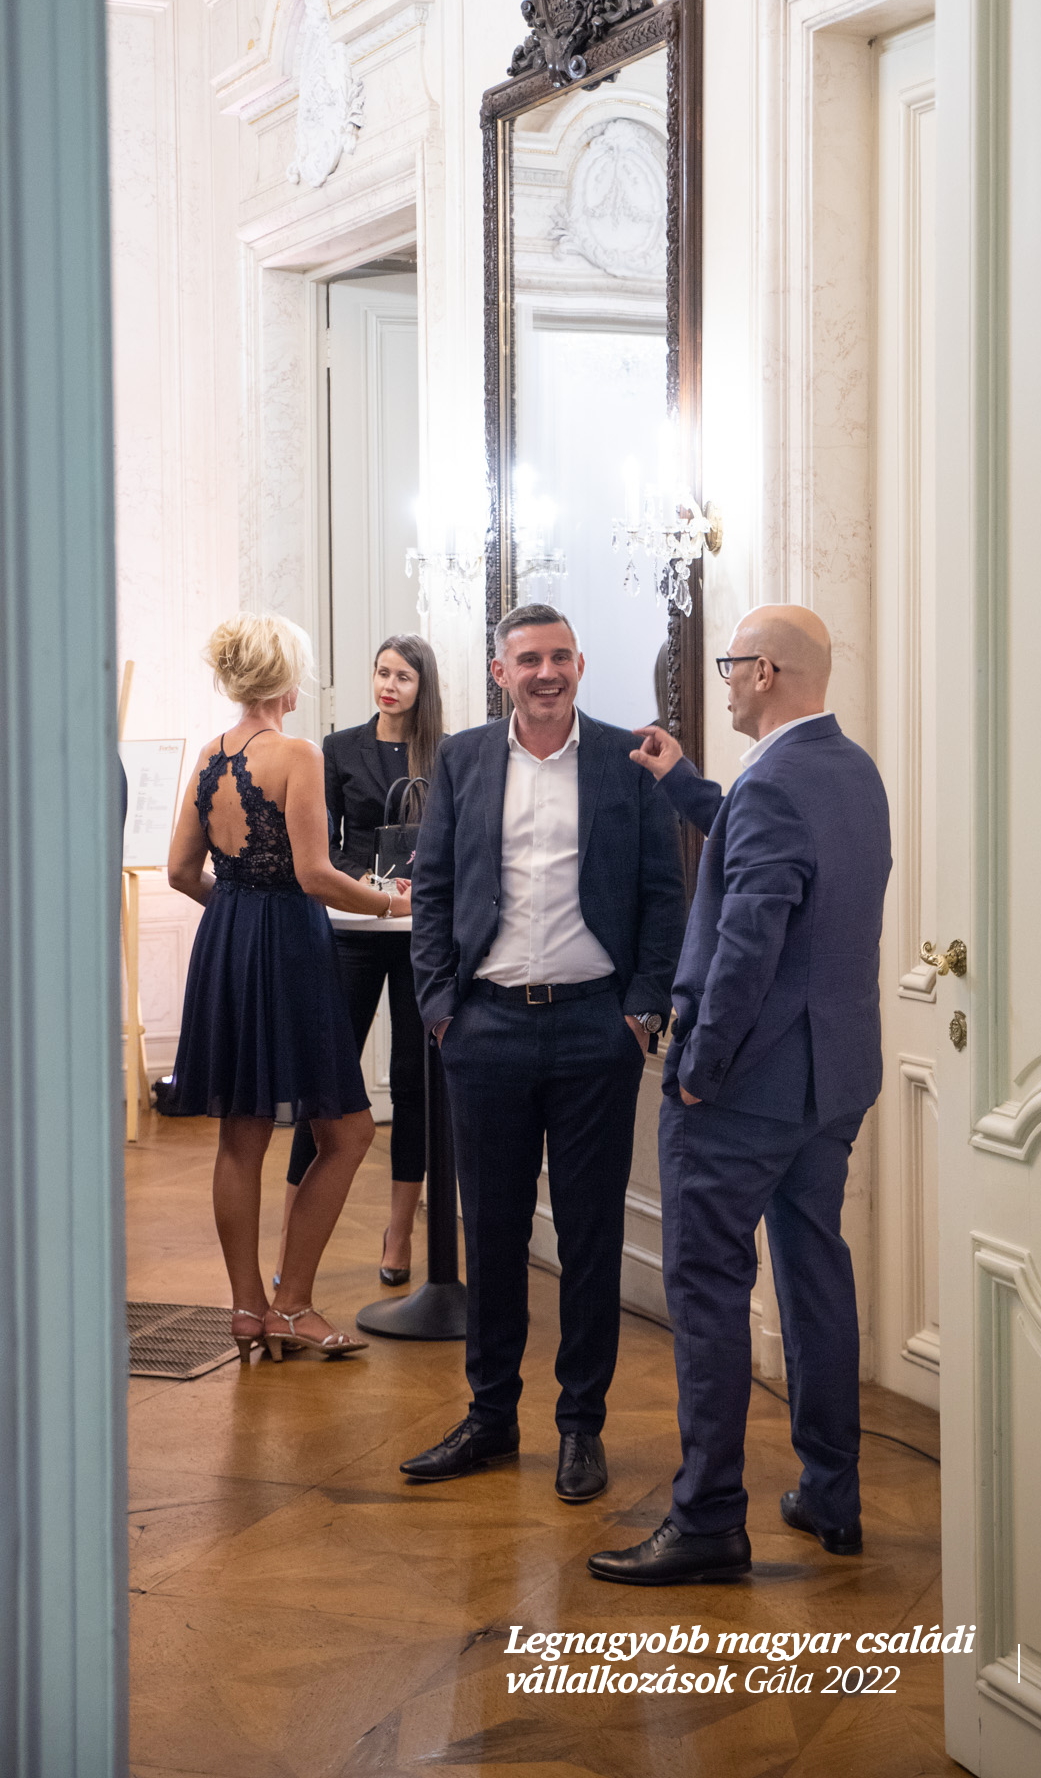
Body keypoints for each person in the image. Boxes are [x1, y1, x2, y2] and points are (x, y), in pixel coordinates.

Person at [587, 605, 892, 1584]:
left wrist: (697, 1071)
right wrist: (685, 784)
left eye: (729, 665)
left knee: (709, 1291)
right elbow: (770, 850)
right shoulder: (850, 772)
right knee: (814, 1272)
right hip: (831, 1080)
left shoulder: (775, 787)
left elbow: (747, 948)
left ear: (763, 671)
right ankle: (831, 1494)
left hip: (742, 1091)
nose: (722, 680)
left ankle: (709, 1517)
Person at [403, 603, 685, 1502]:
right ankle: (490, 1418)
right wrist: (441, 1009)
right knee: (491, 1233)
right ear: (501, 673)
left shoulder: (626, 760)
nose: (546, 672)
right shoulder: (463, 759)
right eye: (528, 659)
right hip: (483, 1030)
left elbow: (663, 892)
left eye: (560, 656)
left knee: (590, 1236)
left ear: (580, 664)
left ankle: (580, 1426)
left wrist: (640, 1012)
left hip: (595, 1030)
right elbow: (433, 889)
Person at [164, 614, 412, 1363]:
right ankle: (293, 1305)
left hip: (226, 945)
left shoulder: (210, 754)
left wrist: (239, 916)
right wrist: (393, 904)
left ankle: (249, 1309)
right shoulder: (297, 754)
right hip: (290, 951)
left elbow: (180, 873)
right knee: (350, 1132)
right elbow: (315, 876)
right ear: (284, 677)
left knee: (241, 1133)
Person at [277, 634, 444, 1289]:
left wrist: (416, 890)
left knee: (413, 1081)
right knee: (324, 1076)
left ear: (422, 686)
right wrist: (371, 889)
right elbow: (328, 846)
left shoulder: (445, 753)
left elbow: (451, 843)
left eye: (402, 676)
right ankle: (291, 1235)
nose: (388, 686)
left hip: (420, 935)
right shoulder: (339, 748)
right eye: (382, 673)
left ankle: (399, 1233)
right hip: (352, 927)